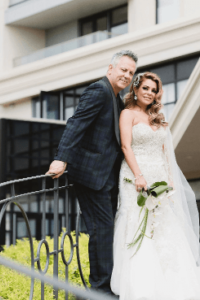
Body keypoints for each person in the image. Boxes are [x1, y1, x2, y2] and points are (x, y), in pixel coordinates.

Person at [111, 72, 200, 300]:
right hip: (135, 178)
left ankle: (171, 282)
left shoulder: (158, 117)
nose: (149, 93)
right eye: (145, 88)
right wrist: (139, 176)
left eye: (153, 90)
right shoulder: (127, 114)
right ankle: (142, 286)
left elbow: (166, 152)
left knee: (164, 228)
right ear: (135, 89)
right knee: (138, 226)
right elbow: (126, 147)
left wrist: (170, 181)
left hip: (160, 178)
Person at [46, 50, 137, 295]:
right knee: (102, 229)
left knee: (107, 230)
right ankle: (101, 290)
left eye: (131, 72)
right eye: (123, 70)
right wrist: (61, 158)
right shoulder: (99, 90)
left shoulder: (118, 99)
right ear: (111, 69)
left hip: (108, 177)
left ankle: (107, 286)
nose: (127, 75)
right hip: (90, 174)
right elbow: (76, 123)